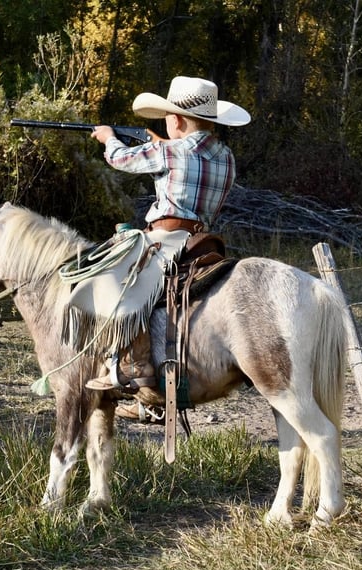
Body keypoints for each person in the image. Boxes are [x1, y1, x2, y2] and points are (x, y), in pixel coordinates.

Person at [84, 76, 250, 422]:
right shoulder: (227, 158)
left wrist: (108, 137)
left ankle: (132, 367)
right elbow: (190, 165)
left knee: (114, 282)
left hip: (165, 239)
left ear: (175, 120)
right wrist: (162, 143)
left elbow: (120, 159)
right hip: (202, 240)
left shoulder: (169, 151)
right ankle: (150, 396)